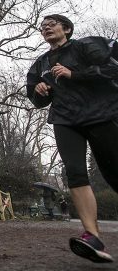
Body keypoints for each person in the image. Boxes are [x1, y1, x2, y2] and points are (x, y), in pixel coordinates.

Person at [27, 14, 118, 263]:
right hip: (65, 120)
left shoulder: (85, 46)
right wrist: (40, 91)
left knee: (114, 174)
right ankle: (92, 236)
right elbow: (35, 99)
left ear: (66, 28)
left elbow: (113, 69)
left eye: (52, 24)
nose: (46, 28)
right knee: (75, 172)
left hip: (100, 115)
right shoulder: (40, 63)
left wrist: (74, 74)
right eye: (43, 26)